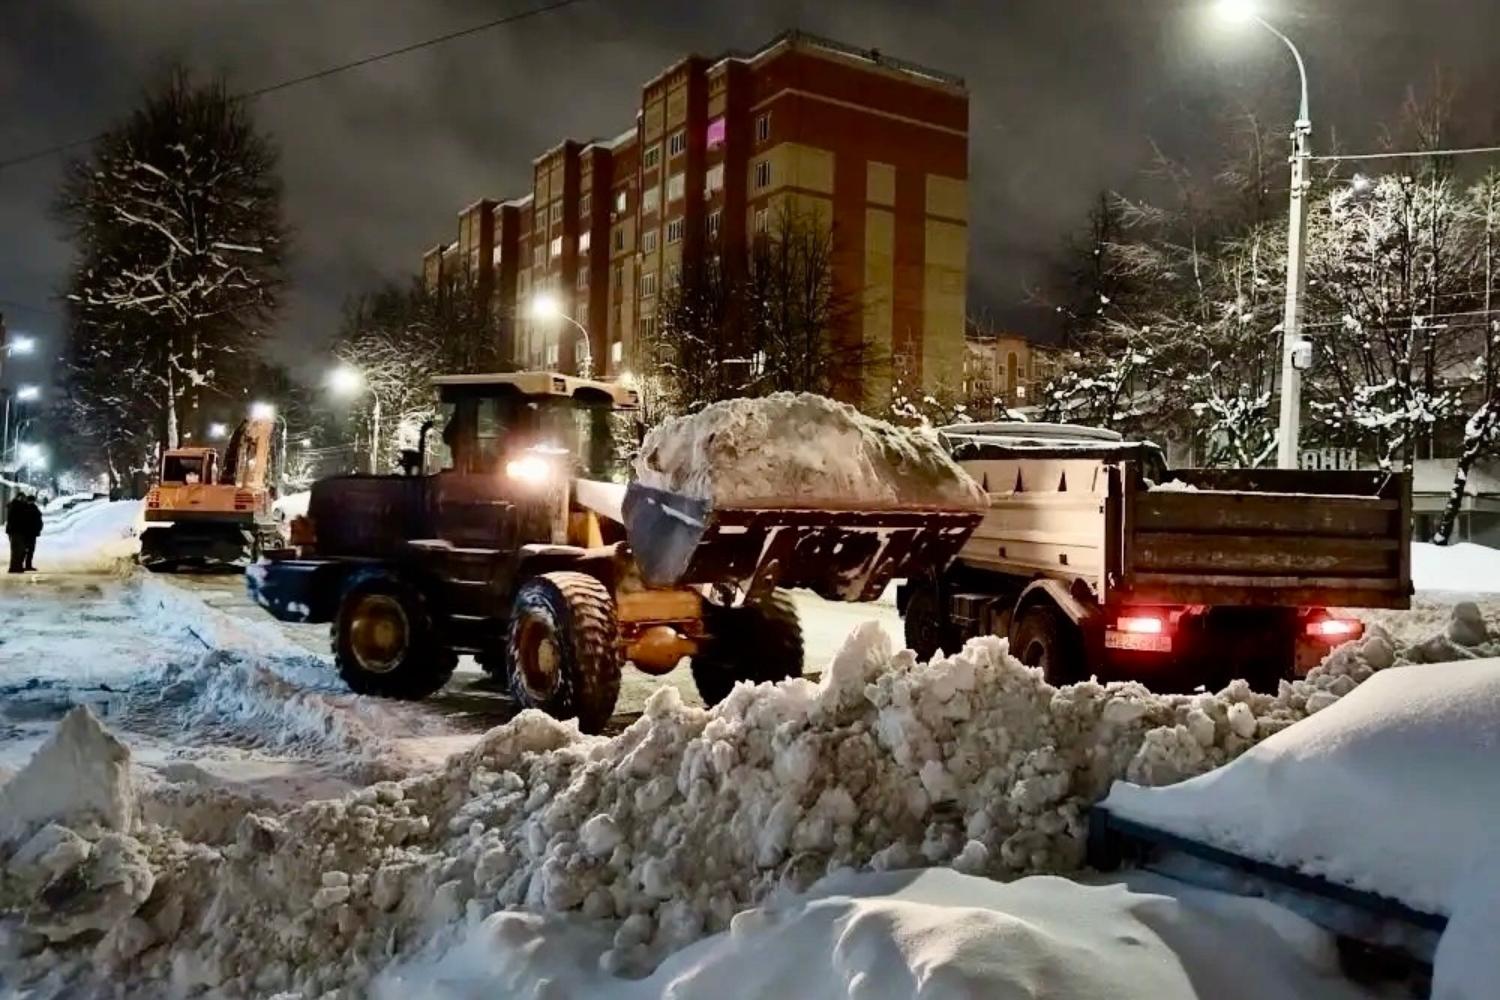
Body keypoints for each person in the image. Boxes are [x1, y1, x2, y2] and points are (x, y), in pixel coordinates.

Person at [6, 492, 40, 574]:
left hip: (19, 531)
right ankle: (14, 567)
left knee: (19, 550)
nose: (24, 500)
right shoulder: (16, 506)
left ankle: (17, 567)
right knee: (17, 550)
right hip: (16, 531)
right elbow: (19, 518)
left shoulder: (18, 505)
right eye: (23, 498)